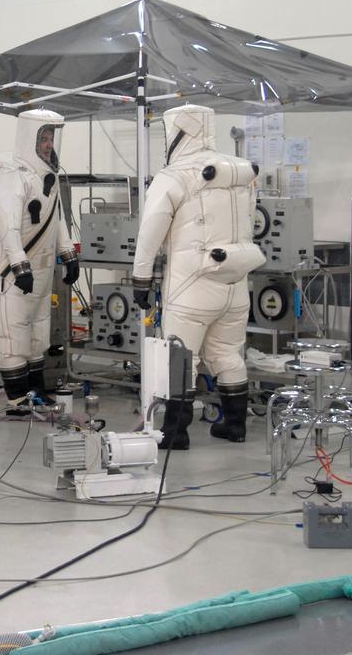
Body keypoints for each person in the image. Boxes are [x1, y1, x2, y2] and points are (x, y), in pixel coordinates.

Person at [131, 105, 265, 449]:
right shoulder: (239, 172)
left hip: (190, 287)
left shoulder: (173, 176)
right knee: (227, 354)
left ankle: (175, 433)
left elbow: (150, 231)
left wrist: (141, 278)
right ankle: (235, 425)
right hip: (235, 282)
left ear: (175, 131)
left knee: (179, 358)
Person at [0, 109, 80, 410]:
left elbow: (57, 220)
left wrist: (68, 255)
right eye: (44, 138)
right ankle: (18, 400)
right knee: (12, 340)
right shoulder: (9, 176)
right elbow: (7, 224)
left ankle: (37, 392)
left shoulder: (45, 177)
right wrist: (19, 264)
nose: (49, 144)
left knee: (37, 339)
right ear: (31, 138)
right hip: (6, 277)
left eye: (52, 138)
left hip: (37, 276)